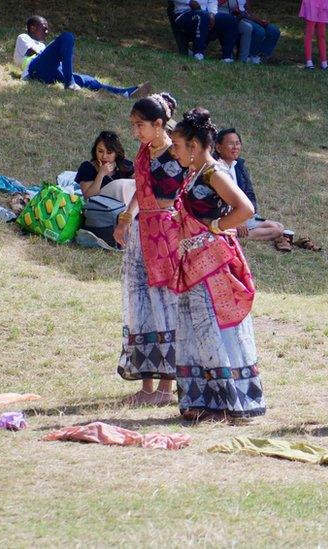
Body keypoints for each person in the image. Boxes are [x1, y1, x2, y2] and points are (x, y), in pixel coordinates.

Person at [167, 108, 265, 421]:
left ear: (194, 147)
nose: (174, 150)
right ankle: (205, 399)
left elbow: (245, 208)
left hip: (213, 264)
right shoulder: (194, 173)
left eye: (178, 145)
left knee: (215, 328)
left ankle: (228, 400)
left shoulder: (213, 174)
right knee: (197, 330)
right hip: (192, 262)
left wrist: (216, 227)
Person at [113, 93, 183, 407]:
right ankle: (146, 386)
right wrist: (126, 217)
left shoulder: (177, 154)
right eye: (133, 125)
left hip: (167, 236)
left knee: (165, 306)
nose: (135, 131)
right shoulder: (144, 150)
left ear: (159, 124)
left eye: (139, 125)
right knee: (140, 306)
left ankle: (167, 389)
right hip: (142, 234)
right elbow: (140, 189)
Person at [14, 16, 150, 97]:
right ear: (32, 28)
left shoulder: (43, 46)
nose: (47, 31)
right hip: (36, 69)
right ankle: (69, 83)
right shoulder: (24, 37)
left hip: (52, 72)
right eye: (44, 28)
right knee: (67, 37)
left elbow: (50, 55)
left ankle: (125, 93)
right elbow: (33, 52)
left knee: (88, 81)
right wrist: (59, 51)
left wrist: (60, 54)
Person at [75, 131, 135, 200]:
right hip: (97, 207)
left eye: (109, 153)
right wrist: (101, 174)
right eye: (100, 151)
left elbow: (140, 183)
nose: (104, 156)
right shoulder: (87, 167)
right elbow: (88, 197)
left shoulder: (123, 165)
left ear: (116, 153)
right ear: (95, 150)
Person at [171, 0, 238, 62]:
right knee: (201, 16)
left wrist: (212, 14)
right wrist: (189, 1)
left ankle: (227, 57)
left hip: (206, 13)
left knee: (229, 20)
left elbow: (212, 1)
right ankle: (198, 53)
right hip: (183, 13)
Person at [299, 0, 328, 69]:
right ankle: (309, 62)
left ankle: (324, 63)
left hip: (323, 3)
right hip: (311, 3)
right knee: (309, 33)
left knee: (322, 35)